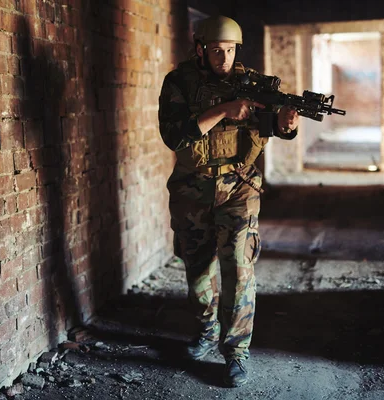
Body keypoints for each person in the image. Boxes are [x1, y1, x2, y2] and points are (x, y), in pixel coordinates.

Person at [158, 15, 299, 387]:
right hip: (193, 187)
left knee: (238, 268)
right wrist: (223, 109)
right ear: (200, 48)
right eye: (216, 51)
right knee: (199, 270)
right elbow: (174, 136)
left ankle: (236, 352)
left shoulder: (252, 82)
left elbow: (271, 127)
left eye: (230, 50)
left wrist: (286, 124)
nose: (223, 58)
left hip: (240, 187)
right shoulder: (179, 82)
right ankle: (206, 330)